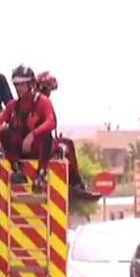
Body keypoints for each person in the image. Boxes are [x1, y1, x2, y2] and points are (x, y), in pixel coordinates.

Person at [35, 71, 100, 200]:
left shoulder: (34, 100)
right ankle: (77, 184)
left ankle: (76, 184)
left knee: (65, 143)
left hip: (39, 141)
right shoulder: (41, 102)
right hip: (40, 144)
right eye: (49, 90)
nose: (49, 93)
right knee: (67, 144)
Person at [0, 66, 56, 192]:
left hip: (39, 148)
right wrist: (0, 134)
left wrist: (33, 135)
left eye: (22, 84)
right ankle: (18, 171)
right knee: (5, 132)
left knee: (47, 135)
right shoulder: (12, 105)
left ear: (31, 84)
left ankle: (41, 175)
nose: (18, 88)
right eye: (16, 84)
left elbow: (51, 122)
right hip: (20, 150)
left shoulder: (43, 102)